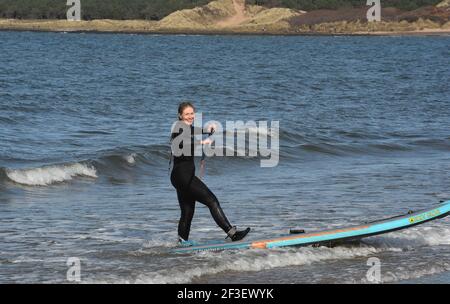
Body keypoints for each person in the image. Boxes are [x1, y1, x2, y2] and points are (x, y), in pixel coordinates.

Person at [170, 102, 250, 245]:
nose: (190, 116)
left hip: (179, 177)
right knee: (212, 200)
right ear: (180, 115)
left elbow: (192, 130)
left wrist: (207, 129)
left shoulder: (185, 128)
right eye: (187, 114)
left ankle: (182, 244)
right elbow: (181, 144)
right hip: (183, 177)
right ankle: (232, 233)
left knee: (187, 213)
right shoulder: (178, 128)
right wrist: (201, 143)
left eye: (192, 113)